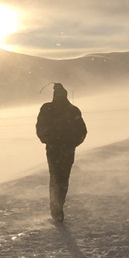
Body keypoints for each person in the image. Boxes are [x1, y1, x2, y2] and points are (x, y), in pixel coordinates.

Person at [36, 83, 87, 222]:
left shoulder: (50, 109)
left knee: (57, 178)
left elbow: (81, 131)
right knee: (61, 178)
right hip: (61, 150)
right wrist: (69, 143)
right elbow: (82, 131)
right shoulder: (70, 110)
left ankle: (57, 207)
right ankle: (57, 207)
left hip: (58, 149)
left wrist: (52, 141)